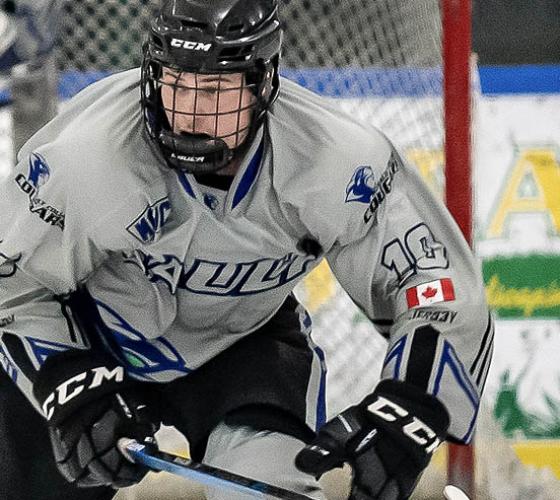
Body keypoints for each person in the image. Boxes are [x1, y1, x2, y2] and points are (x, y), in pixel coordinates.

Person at [0, 0, 494, 499]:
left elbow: (434, 282)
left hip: (241, 348)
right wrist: (68, 382)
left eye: (214, 90)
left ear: (261, 84)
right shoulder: (88, 154)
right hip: (89, 336)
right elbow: (12, 283)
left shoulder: (336, 161)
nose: (188, 114)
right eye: (175, 84)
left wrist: (410, 408)